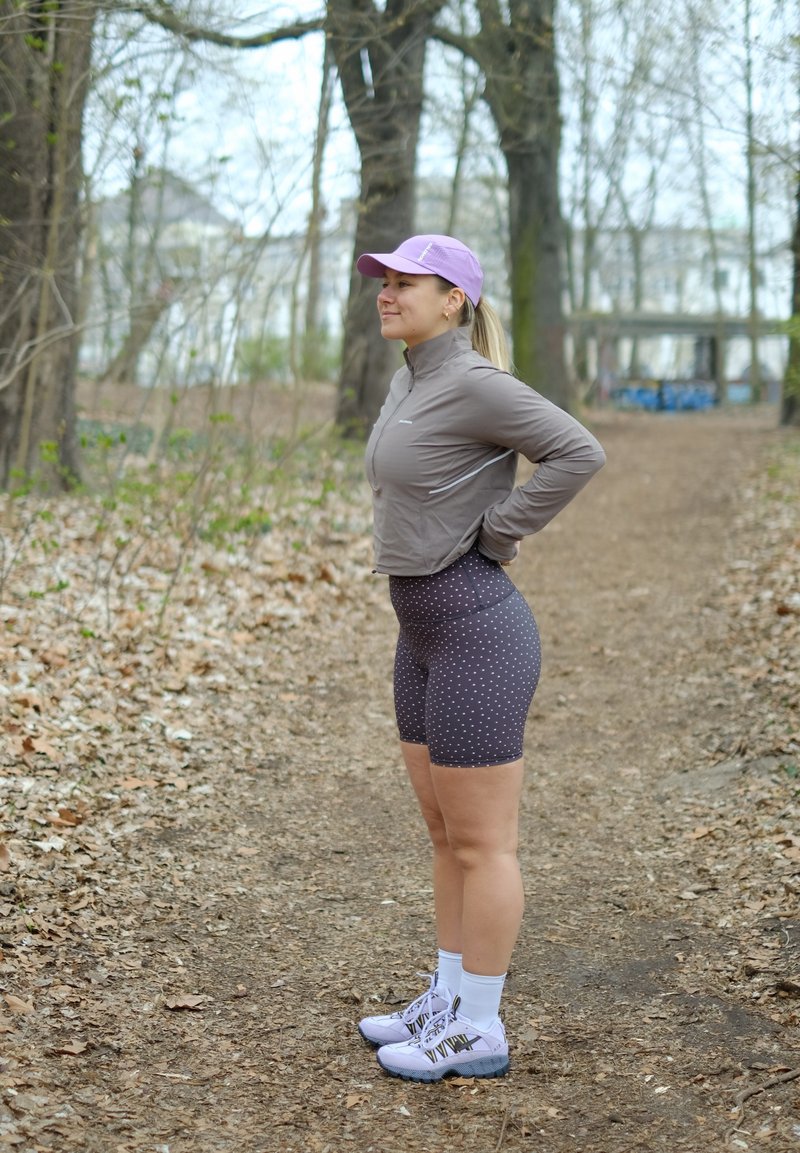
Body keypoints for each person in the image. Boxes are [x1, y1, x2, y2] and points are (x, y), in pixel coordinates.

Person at [355, 235, 605, 1082]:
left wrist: (498, 531)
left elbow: (578, 450)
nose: (388, 293)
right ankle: (449, 994)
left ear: (453, 298)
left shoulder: (475, 383)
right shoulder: (410, 377)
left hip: (476, 631)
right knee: (444, 833)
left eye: (406, 282)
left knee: (484, 842)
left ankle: (481, 1026)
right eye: (384, 281)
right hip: (420, 632)